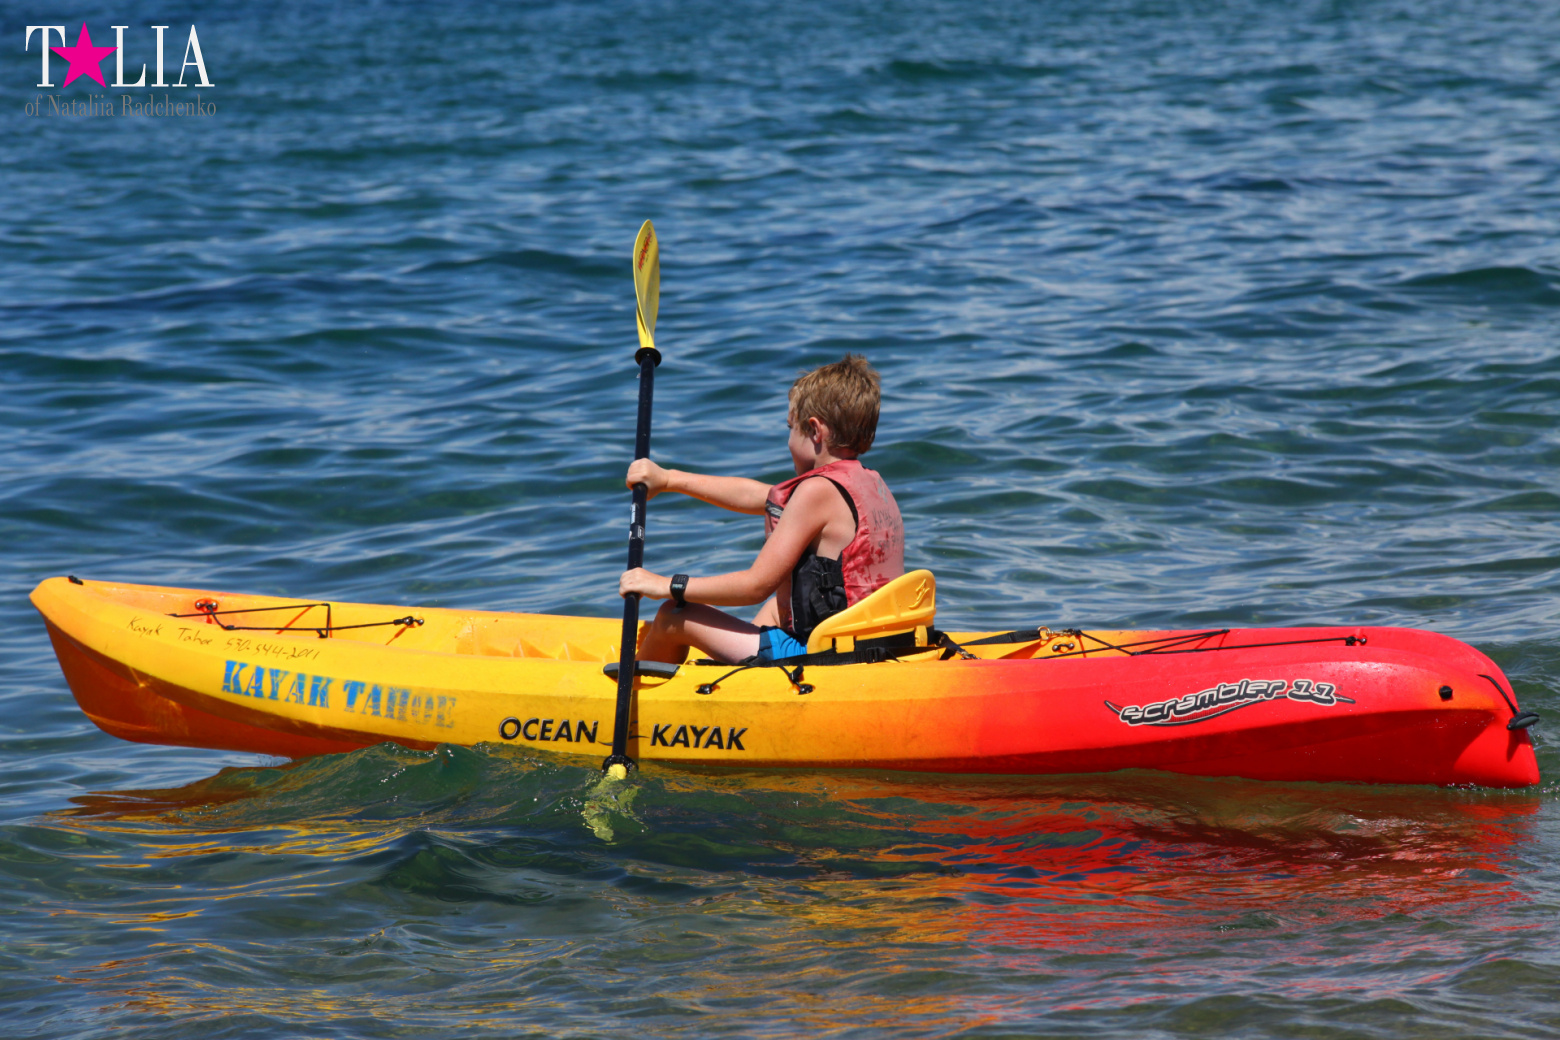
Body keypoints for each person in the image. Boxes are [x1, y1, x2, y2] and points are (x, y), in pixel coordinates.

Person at [619, 354, 905, 665]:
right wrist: (669, 479)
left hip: (826, 660)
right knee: (774, 609)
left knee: (672, 617)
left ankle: (637, 693)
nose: (788, 441)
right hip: (872, 645)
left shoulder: (816, 492)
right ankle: (737, 679)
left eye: (790, 428)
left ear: (814, 431)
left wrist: (665, 585)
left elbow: (754, 586)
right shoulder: (869, 483)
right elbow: (762, 496)